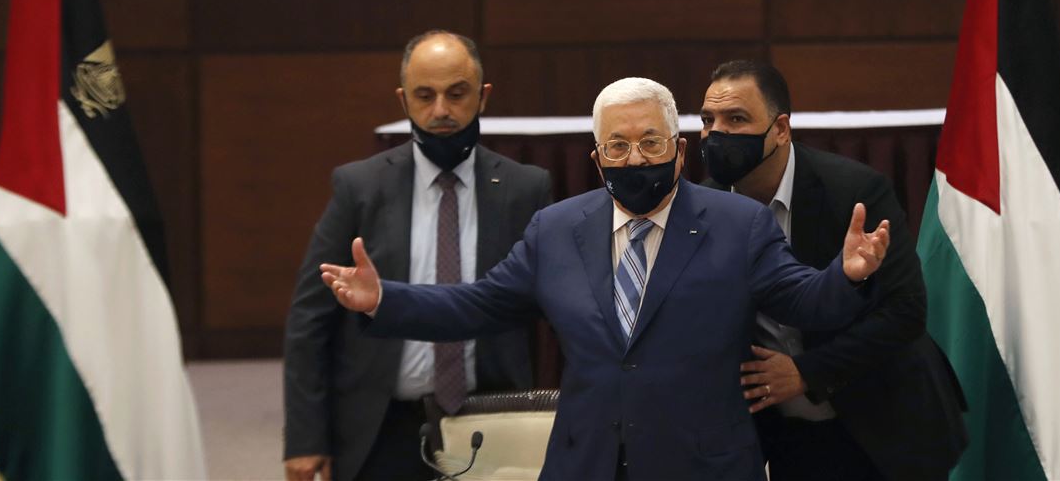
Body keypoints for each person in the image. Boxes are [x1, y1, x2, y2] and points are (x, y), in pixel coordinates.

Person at [320, 77, 892, 481]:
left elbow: (805, 301)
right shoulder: (556, 230)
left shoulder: (737, 225)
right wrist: (382, 300)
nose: (635, 157)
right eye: (618, 145)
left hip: (702, 465)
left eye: (650, 142)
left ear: (680, 149)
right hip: (587, 461)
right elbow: (476, 305)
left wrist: (846, 276)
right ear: (598, 158)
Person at [283, 30, 553, 481]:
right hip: (381, 423)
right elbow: (310, 317)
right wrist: (306, 439)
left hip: (493, 415)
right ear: (403, 100)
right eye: (424, 96)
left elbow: (557, 312)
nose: (441, 111)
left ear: (483, 97)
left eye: (457, 93)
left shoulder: (525, 189)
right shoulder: (360, 188)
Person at [698, 59, 968, 481]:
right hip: (789, 436)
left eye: (736, 119)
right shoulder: (704, 209)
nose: (717, 134)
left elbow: (906, 311)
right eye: (707, 120)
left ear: (781, 129)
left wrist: (806, 373)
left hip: (884, 423)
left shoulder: (854, 191)